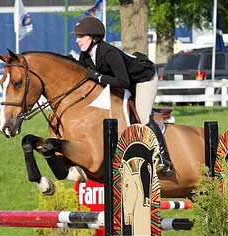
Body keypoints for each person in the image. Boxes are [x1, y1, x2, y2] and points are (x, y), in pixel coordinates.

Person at [71, 16, 173, 175]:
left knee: (143, 113)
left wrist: (98, 77)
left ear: (94, 37)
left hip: (144, 79)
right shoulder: (85, 55)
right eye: (77, 37)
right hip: (125, 81)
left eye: (81, 36)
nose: (78, 40)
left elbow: (123, 81)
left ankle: (165, 159)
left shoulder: (109, 52)